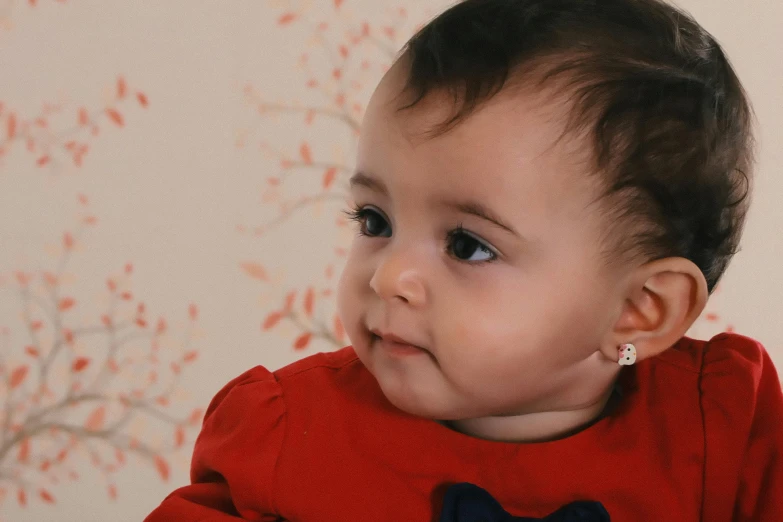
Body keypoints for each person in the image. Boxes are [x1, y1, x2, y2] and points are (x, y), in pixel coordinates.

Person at [145, 0, 783, 520]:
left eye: (467, 245)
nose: (389, 275)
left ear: (639, 311)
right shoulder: (288, 438)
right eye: (376, 221)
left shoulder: (722, 436)